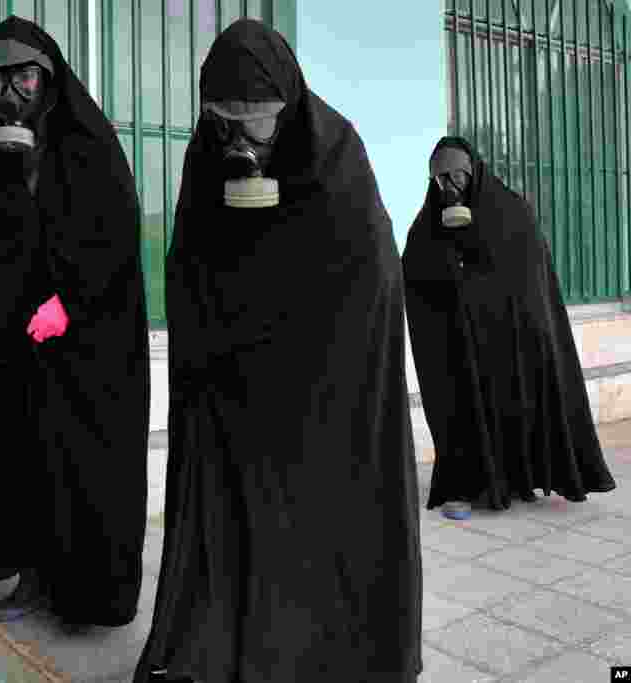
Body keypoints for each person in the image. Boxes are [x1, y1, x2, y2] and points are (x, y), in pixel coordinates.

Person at [134, 19, 422, 683]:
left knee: (317, 548)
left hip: (322, 401)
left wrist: (298, 350)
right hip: (234, 396)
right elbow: (189, 269)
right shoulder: (206, 158)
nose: (237, 140)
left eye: (255, 122)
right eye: (222, 121)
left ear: (288, 111)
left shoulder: (337, 162)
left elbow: (371, 283)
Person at [0, 15, 150, 627]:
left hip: (81, 352)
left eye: (24, 75)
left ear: (48, 78)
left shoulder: (87, 144)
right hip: (11, 350)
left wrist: (70, 301)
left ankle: (83, 590)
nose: (11, 91)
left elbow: (113, 236)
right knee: (19, 464)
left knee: (78, 468)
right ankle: (22, 571)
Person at [402, 136, 617, 519]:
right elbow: (415, 272)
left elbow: (530, 278)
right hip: (462, 343)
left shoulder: (511, 211)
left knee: (518, 403)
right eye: (439, 179)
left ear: (474, 171)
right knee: (464, 407)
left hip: (513, 339)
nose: (449, 186)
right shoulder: (429, 225)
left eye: (457, 176)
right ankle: (465, 487)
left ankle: (521, 478)